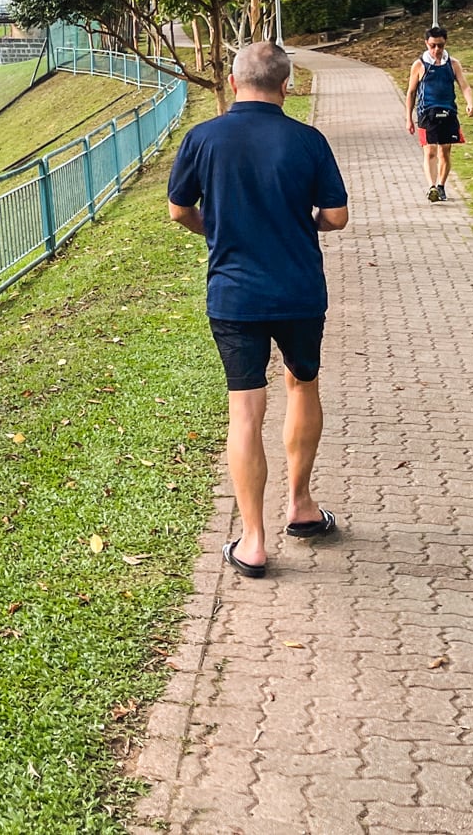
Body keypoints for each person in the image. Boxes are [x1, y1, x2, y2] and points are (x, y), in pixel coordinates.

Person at [167, 41, 349, 578]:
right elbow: (335, 217)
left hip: (234, 293)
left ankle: (252, 542)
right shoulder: (307, 140)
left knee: (245, 411)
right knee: (302, 385)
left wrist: (218, 230)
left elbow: (180, 210)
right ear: (286, 86)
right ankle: (301, 506)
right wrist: (299, 224)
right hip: (298, 291)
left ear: (232, 81)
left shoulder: (202, 138)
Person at [405, 25, 473, 202]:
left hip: (448, 112)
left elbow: (464, 86)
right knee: (429, 151)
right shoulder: (420, 65)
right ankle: (431, 187)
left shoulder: (453, 64)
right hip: (426, 113)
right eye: (433, 45)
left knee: (445, 151)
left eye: (440, 46)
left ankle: (442, 186)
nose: (437, 49)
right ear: (426, 44)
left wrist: (470, 104)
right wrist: (409, 119)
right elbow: (411, 92)